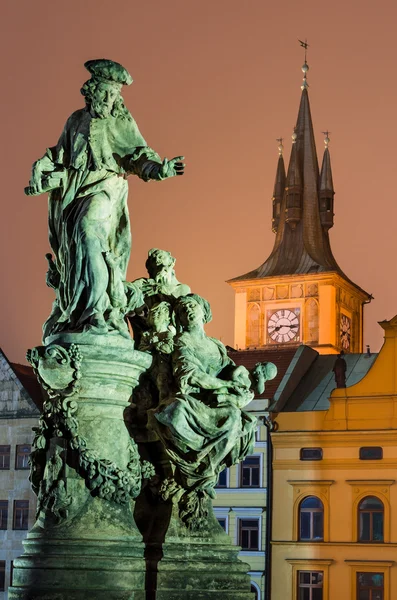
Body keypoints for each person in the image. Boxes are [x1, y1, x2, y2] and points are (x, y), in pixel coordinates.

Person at [25, 59, 185, 340]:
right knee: (75, 254)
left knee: (90, 237)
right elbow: (60, 152)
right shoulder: (75, 120)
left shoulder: (120, 121)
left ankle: (98, 310)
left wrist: (161, 169)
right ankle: (78, 311)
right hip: (74, 193)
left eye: (115, 95)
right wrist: (42, 164)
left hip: (105, 190)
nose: (112, 99)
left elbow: (138, 156)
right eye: (107, 93)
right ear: (92, 91)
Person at [148, 294, 258, 505]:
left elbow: (232, 372)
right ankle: (199, 471)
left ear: (204, 311)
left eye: (193, 305)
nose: (188, 310)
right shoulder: (182, 340)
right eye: (182, 309)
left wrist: (245, 384)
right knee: (175, 412)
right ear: (179, 319)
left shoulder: (216, 345)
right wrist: (227, 385)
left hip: (217, 402)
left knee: (234, 418)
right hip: (195, 400)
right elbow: (189, 375)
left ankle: (205, 471)